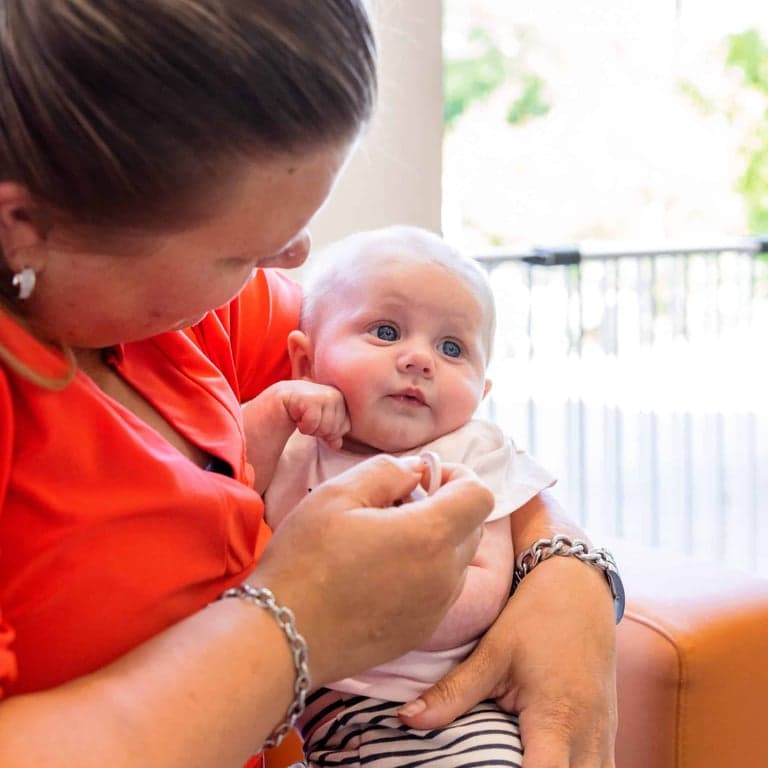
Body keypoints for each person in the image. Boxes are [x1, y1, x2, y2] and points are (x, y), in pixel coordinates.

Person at [0, 3, 619, 768]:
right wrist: (295, 619)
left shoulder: (198, 313)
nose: (289, 261)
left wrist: (567, 570)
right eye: (240, 252)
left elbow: (441, 431)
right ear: (22, 225)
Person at [244, 226, 556, 765]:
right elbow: (230, 496)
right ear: (304, 361)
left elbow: (486, 579)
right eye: (386, 332)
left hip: (447, 715)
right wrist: (274, 409)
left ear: (480, 393)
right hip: (321, 715)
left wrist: (379, 607)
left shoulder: (470, 451)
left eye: (452, 347)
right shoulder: (300, 442)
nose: (419, 359)